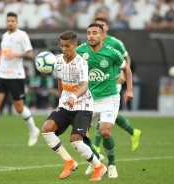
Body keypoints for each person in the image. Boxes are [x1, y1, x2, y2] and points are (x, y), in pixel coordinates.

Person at [42, 30, 107, 181]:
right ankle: (69, 161)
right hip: (66, 104)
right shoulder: (57, 60)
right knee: (47, 129)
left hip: (83, 105)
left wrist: (73, 96)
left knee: (76, 140)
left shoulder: (81, 63)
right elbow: (60, 80)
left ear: (76, 46)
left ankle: (99, 167)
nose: (64, 49)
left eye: (68, 46)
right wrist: (61, 101)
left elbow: (84, 86)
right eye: (62, 46)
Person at [76, 23, 134, 178]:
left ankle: (112, 164)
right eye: (89, 33)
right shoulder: (80, 50)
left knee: (105, 132)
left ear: (102, 35)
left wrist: (129, 89)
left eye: (95, 33)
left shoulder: (112, 52)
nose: (91, 36)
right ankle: (97, 160)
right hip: (89, 99)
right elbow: (68, 59)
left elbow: (126, 69)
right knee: (80, 136)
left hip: (109, 97)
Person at [0, 12, 40, 147]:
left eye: (13, 21)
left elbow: (30, 54)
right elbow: (5, 55)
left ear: (17, 22)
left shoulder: (22, 35)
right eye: (8, 21)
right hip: (1, 75)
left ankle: (33, 130)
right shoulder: (4, 36)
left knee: (19, 108)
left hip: (15, 75)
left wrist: (16, 55)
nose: (10, 23)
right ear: (6, 22)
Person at [92, 17, 142, 153]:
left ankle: (96, 145)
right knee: (111, 113)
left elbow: (126, 58)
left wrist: (123, 75)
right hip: (98, 83)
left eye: (102, 25)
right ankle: (134, 132)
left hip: (113, 82)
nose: (99, 28)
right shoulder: (91, 42)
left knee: (103, 112)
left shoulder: (115, 43)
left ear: (107, 27)